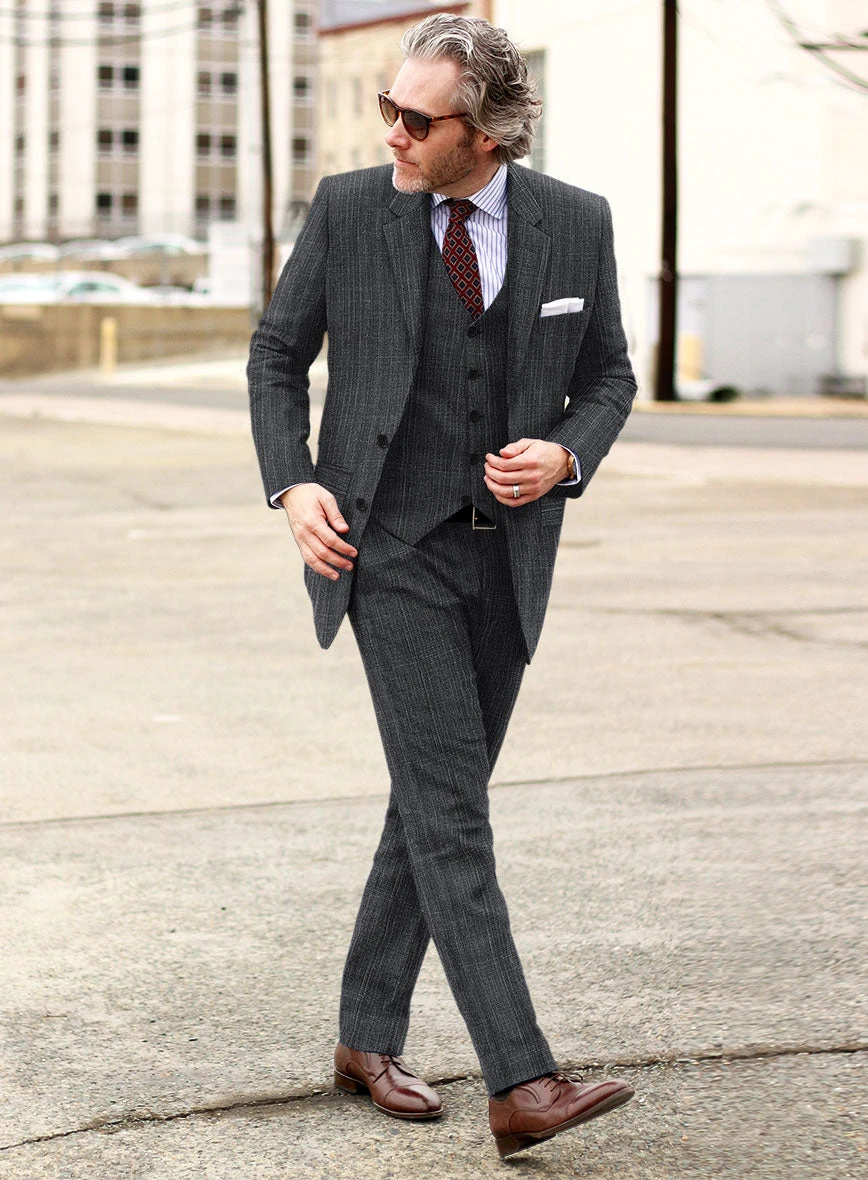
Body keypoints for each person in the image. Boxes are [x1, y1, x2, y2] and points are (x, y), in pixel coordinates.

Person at [248, 12, 637, 1159]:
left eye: (417, 120)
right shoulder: (349, 210)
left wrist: (567, 452)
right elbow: (277, 355)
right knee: (454, 811)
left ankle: (364, 1034)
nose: (393, 134)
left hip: (506, 560)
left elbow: (609, 373)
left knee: (428, 798)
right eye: (389, 109)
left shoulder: (576, 221)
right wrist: (292, 484)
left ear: (489, 132)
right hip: (388, 550)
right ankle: (523, 1078)